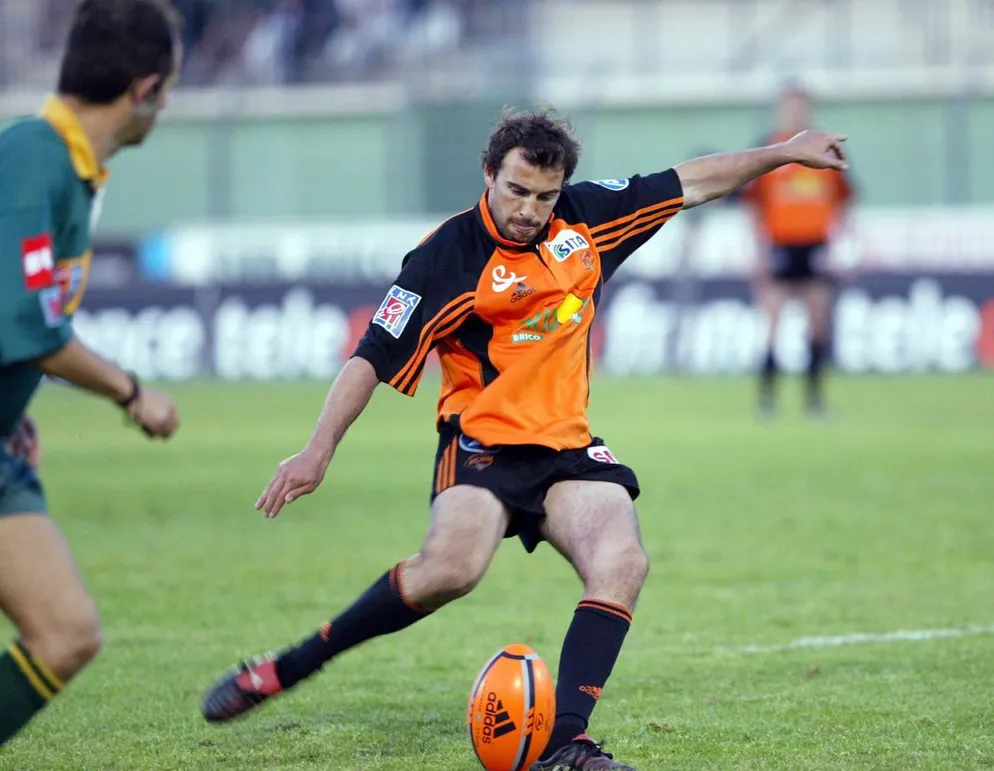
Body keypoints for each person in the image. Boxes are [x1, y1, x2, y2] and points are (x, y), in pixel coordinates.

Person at [200, 108, 847, 769]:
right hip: (482, 445)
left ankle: (568, 740)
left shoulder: (588, 218)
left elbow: (695, 182)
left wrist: (786, 150)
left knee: (622, 561)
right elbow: (370, 356)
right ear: (488, 174)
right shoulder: (442, 257)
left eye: (543, 195)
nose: (529, 209)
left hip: (567, 448)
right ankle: (287, 667)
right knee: (451, 569)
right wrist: (318, 450)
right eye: (516, 190)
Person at [0, 0, 182, 748]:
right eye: (170, 89)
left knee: (66, 630)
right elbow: (29, 325)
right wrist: (131, 391)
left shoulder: (66, 169)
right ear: (144, 89)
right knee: (65, 628)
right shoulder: (32, 159)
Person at [739, 84, 856, 418]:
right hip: (779, 244)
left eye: (800, 107)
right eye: (790, 107)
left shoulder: (825, 151)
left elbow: (845, 199)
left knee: (817, 323)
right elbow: (753, 205)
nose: (795, 113)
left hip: (815, 245)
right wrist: (757, 250)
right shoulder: (770, 150)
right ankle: (767, 399)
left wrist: (841, 245)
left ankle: (814, 401)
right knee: (773, 322)